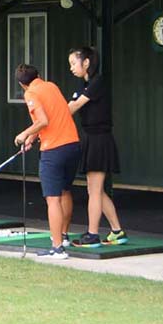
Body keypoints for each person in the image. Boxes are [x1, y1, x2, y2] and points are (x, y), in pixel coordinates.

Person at [14, 63, 81, 259]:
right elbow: (52, 119)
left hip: (54, 150)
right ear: (39, 75)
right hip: (72, 145)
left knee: (53, 199)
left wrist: (23, 134)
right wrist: (32, 138)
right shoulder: (51, 86)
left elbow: (42, 121)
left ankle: (58, 248)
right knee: (64, 190)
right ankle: (64, 236)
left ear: (22, 84)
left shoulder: (30, 93)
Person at [67, 47, 127, 247]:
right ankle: (117, 231)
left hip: (100, 139)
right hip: (91, 138)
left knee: (94, 191)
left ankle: (92, 234)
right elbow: (70, 105)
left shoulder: (97, 82)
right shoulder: (83, 85)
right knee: (98, 191)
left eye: (74, 63)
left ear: (86, 63)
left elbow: (74, 107)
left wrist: (51, 115)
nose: (71, 68)